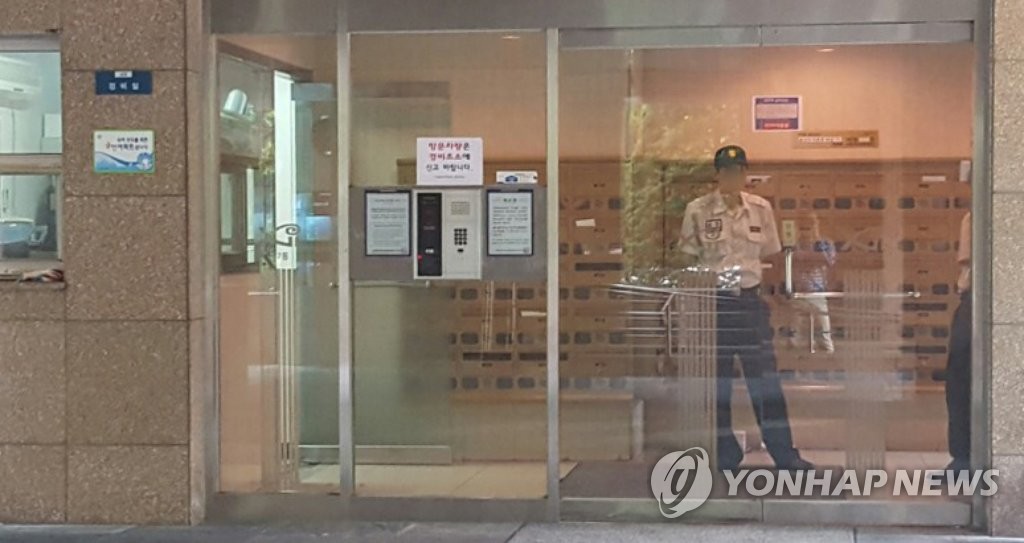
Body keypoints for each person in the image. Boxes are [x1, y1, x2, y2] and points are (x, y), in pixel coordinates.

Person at [680, 145, 813, 471]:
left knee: (765, 379)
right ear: (717, 175)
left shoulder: (759, 208)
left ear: (744, 174)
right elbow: (688, 258)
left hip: (749, 302)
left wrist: (776, 297)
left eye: (739, 171)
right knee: (717, 384)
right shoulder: (698, 210)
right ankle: (725, 452)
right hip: (715, 304)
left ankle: (784, 453)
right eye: (727, 171)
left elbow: (771, 255)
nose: (733, 177)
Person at [789, 212, 837, 353]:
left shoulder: (824, 243)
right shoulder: (792, 244)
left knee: (824, 327)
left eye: (809, 226)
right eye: (803, 227)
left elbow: (828, 261)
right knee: (796, 329)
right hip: (799, 290)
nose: (806, 231)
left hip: (818, 290)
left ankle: (827, 350)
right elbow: (788, 261)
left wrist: (815, 243)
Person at [946, 211, 971, 473]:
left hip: (976, 297)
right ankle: (962, 456)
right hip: (972, 298)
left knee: (960, 379)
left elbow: (967, 258)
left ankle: (963, 457)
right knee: (960, 380)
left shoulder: (974, 217)